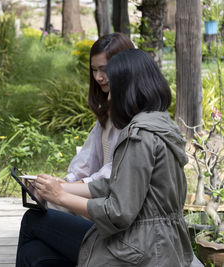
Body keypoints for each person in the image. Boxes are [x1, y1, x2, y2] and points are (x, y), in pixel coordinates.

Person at [15, 49, 194, 266]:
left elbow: (119, 212)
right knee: (34, 253)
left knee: (33, 221)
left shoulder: (139, 136)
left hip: (140, 249)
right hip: (160, 243)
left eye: (114, 89)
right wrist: (58, 188)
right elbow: (118, 185)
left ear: (129, 89)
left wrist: (61, 198)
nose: (109, 96)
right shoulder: (161, 123)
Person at [65, 32, 134, 184]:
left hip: (116, 200)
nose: (98, 77)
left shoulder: (137, 116)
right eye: (94, 70)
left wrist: (78, 185)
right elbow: (89, 157)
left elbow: (117, 169)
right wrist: (68, 180)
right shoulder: (106, 110)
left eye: (104, 69)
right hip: (101, 194)